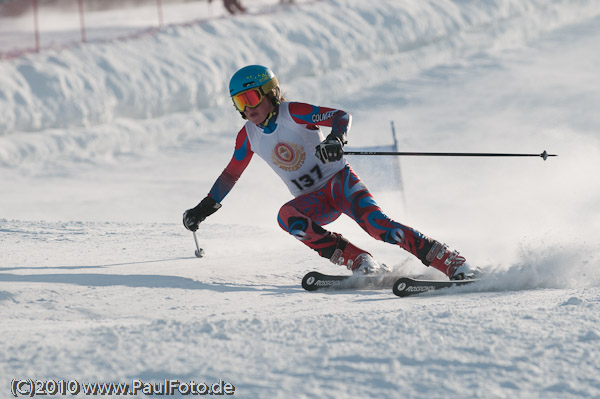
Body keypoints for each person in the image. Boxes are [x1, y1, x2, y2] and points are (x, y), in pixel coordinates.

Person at [183, 65, 477, 279]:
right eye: (239, 102)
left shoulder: (293, 111)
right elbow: (230, 175)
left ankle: (450, 261)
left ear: (270, 94)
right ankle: (358, 260)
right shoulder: (247, 136)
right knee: (288, 217)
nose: (247, 109)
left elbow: (340, 116)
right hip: (314, 201)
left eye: (250, 99)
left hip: (340, 184)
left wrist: (336, 139)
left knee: (379, 226)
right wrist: (204, 208)